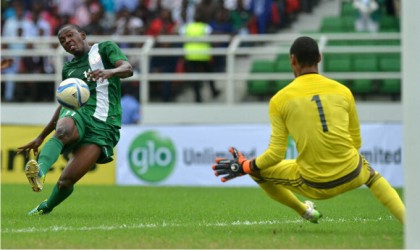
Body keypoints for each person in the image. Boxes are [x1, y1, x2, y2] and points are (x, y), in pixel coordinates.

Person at [212, 36, 405, 224]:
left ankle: (305, 211)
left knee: (258, 171)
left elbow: (276, 154)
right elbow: (356, 143)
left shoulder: (280, 100)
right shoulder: (343, 91)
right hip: (353, 173)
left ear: (292, 60)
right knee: (372, 175)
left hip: (315, 184)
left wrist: (246, 166)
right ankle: (412, 224)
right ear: (319, 57)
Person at [17, 24, 133, 215]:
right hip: (79, 112)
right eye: (62, 41)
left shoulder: (104, 49)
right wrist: (41, 136)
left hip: (104, 123)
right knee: (62, 131)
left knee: (66, 181)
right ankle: (39, 173)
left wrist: (109, 72)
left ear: (83, 35)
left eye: (69, 36)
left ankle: (44, 208)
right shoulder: (69, 69)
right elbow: (65, 103)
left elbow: (128, 68)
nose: (66, 42)